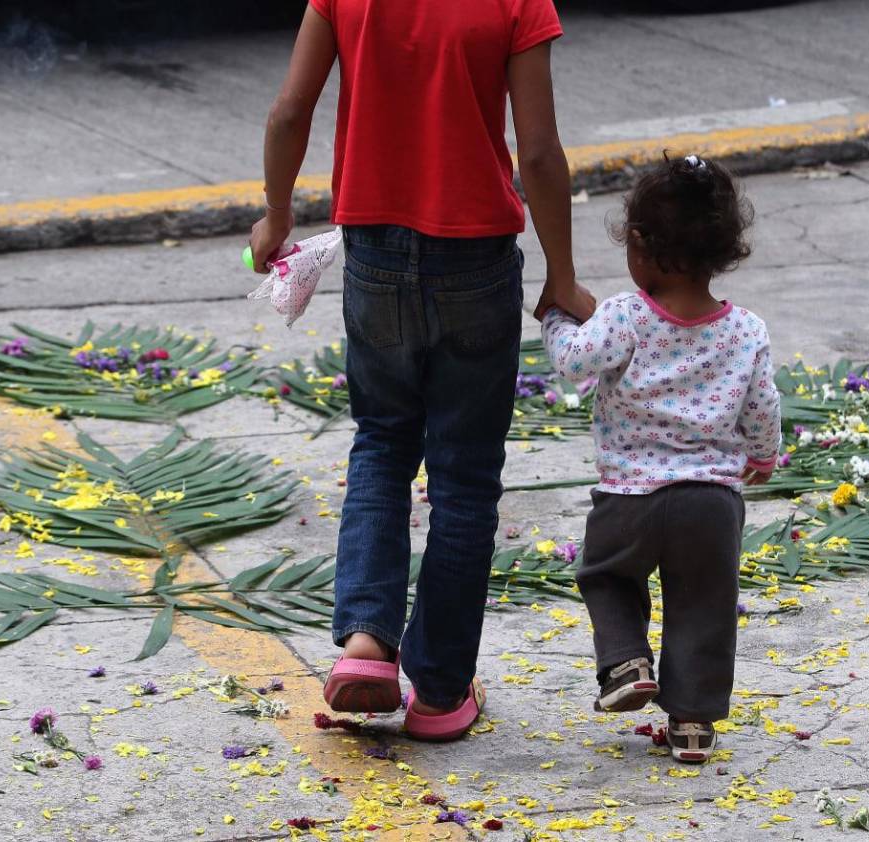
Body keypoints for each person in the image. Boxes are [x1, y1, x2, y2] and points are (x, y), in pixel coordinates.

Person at [250, 0, 595, 742]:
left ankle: (367, 645)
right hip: (475, 263)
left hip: (373, 254)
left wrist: (277, 215)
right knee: (464, 477)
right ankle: (439, 692)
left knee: (381, 443)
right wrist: (562, 274)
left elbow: (288, 112)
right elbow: (537, 152)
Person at [540, 154, 781, 763]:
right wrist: (763, 454)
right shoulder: (747, 330)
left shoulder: (625, 315)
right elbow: (761, 408)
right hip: (712, 504)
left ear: (641, 248)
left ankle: (625, 665)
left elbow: (573, 362)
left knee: (608, 576)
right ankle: (694, 724)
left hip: (630, 499)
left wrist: (554, 315)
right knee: (704, 605)